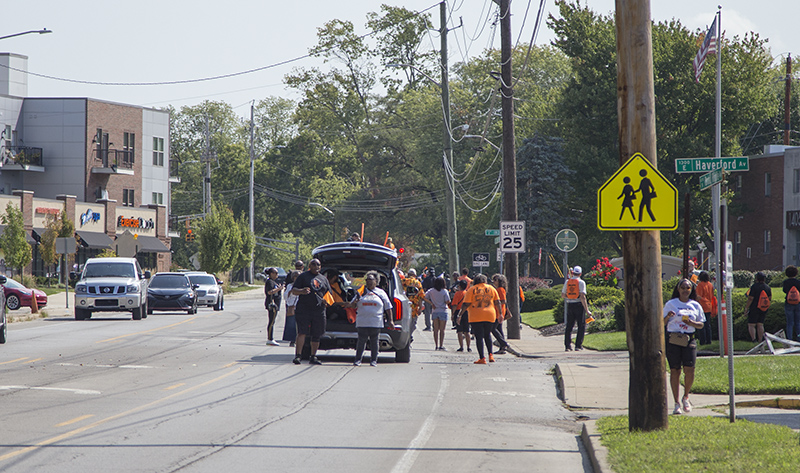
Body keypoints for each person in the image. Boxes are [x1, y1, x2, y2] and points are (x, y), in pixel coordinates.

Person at [663, 278, 705, 415]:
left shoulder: (695, 305)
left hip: (689, 339)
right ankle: (676, 403)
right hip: (674, 339)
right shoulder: (671, 304)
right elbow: (662, 323)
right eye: (683, 287)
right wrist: (668, 316)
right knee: (675, 370)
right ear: (678, 289)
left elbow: (701, 324)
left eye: (688, 288)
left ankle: (686, 396)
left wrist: (692, 322)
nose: (685, 290)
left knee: (690, 369)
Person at [290, 259, 333, 365]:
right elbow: (294, 291)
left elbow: (330, 295)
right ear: (309, 265)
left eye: (318, 264)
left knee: (316, 335)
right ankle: (298, 356)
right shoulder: (303, 276)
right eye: (313, 264)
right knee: (302, 332)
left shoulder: (323, 279)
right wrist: (302, 291)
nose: (316, 266)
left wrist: (325, 301)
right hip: (304, 310)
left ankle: (313, 356)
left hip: (319, 311)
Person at [349, 271, 393, 366]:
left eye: (371, 279)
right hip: (362, 322)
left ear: (376, 281)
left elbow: (388, 307)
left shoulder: (381, 293)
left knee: (374, 342)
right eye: (367, 280)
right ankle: (358, 360)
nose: (368, 282)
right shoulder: (360, 291)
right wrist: (355, 302)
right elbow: (351, 305)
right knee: (361, 341)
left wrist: (391, 320)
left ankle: (373, 360)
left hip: (375, 322)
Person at [461, 273, 502, 364]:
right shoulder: (492, 289)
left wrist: (460, 315)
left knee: (479, 337)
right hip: (490, 315)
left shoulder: (471, 290)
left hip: (476, 315)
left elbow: (466, 304)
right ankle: (491, 355)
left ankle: (482, 358)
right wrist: (500, 314)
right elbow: (497, 302)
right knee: (487, 335)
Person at [562, 266, 592, 351]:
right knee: (581, 326)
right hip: (579, 305)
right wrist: (587, 310)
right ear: (580, 273)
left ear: (572, 273)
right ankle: (578, 346)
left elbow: (563, 295)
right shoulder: (581, 282)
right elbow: (583, 297)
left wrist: (570, 296)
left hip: (570, 305)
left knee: (569, 326)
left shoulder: (567, 282)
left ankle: (567, 346)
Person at [423, 277, 451, 350]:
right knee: (442, 330)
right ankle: (441, 345)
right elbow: (447, 301)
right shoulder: (445, 291)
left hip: (435, 311)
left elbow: (424, 297)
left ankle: (436, 345)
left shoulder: (431, 291)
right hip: (443, 311)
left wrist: (431, 303)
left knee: (435, 329)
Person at [744, 272, 771, 343]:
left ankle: (754, 340)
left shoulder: (754, 286)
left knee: (751, 324)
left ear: (756, 279)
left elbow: (750, 298)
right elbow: (769, 298)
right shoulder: (767, 287)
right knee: (760, 324)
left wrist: (746, 307)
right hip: (763, 308)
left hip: (754, 308)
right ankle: (760, 340)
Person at [491, 274, 511, 355]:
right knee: (499, 329)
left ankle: (503, 343)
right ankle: (502, 348)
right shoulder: (498, 289)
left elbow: (503, 301)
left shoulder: (500, 289)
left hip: (498, 313)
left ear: (500, 281)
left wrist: (494, 303)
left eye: (495, 280)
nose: (494, 281)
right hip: (498, 312)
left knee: (492, 328)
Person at [264, 267, 284, 346]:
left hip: (276, 305)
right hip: (272, 304)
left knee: (273, 321)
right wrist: (279, 289)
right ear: (271, 274)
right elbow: (269, 292)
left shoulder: (273, 282)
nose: (277, 275)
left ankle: (271, 338)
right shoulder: (269, 282)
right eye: (275, 273)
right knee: (271, 321)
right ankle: (270, 338)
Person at [694, 271, 714, 345]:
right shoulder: (710, 285)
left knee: (701, 324)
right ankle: (709, 340)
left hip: (702, 305)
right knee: (707, 325)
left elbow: (698, 296)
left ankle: (702, 341)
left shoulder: (700, 285)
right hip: (709, 305)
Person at [451, 280, 471, 352]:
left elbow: (455, 305)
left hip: (458, 311)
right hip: (466, 312)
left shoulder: (457, 294)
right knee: (467, 331)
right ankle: (469, 347)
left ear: (459, 286)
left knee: (459, 330)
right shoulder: (468, 293)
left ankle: (461, 346)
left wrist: (453, 314)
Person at [282, 270, 301, 346]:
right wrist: (290, 291)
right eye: (296, 277)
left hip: (301, 306)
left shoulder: (304, 285)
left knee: (300, 324)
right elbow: (285, 296)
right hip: (292, 306)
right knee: (291, 324)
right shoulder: (290, 285)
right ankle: (292, 340)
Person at [782, 265, 800, 342]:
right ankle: (799, 339)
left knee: (790, 323)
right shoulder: (798, 282)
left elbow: (785, 290)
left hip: (788, 303)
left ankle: (789, 340)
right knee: (798, 322)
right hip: (798, 303)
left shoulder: (785, 282)